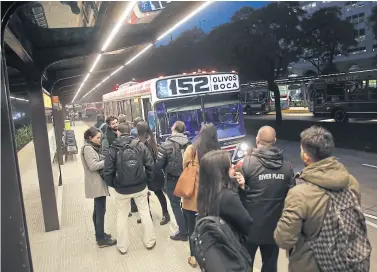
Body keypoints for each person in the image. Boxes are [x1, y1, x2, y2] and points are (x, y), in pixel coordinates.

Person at [274, 126, 369, 272]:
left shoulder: (299, 194)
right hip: (350, 262)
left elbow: (284, 240)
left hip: (312, 266)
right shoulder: (351, 182)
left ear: (305, 155)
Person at [239, 126, 295, 272]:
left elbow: (236, 194)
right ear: (274, 141)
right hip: (274, 228)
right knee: (270, 265)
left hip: (249, 229)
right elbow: (293, 198)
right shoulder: (287, 167)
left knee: (245, 264)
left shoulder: (247, 164)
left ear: (257, 140)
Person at [196, 150, 254, 271]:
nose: (233, 166)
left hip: (216, 248)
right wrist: (242, 192)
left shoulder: (205, 192)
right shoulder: (228, 197)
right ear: (221, 171)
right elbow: (247, 224)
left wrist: (240, 188)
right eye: (230, 165)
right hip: (231, 247)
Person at [103, 123, 156, 254]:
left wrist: (114, 185)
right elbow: (150, 165)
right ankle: (150, 241)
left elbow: (107, 171)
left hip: (121, 189)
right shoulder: (140, 145)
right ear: (131, 132)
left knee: (122, 216)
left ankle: (122, 246)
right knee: (144, 212)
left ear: (118, 132)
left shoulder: (113, 148)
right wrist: (147, 181)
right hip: (140, 186)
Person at [182, 123, 221, 267]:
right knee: (212, 226)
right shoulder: (218, 152)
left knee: (192, 228)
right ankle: (211, 254)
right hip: (212, 197)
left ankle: (193, 256)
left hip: (193, 197)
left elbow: (184, 168)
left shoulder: (191, 150)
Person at [81, 127, 117, 248]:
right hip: (96, 183)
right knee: (100, 211)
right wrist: (108, 161)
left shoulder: (90, 147)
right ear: (90, 138)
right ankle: (101, 239)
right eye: (97, 138)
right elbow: (93, 165)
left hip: (97, 182)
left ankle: (100, 234)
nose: (99, 140)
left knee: (98, 210)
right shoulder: (88, 149)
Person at [156, 121, 190, 242]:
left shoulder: (165, 145)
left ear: (174, 129)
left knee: (175, 205)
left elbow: (159, 164)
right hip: (188, 178)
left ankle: (183, 232)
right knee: (187, 204)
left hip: (172, 179)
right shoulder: (190, 144)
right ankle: (190, 227)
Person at [137, 121, 170, 225]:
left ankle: (149, 215)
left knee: (149, 194)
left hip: (148, 171)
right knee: (158, 193)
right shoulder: (151, 138)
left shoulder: (143, 141)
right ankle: (164, 214)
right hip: (155, 170)